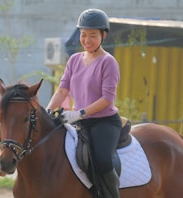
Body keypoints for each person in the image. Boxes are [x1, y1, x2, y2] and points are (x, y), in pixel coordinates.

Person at [46, 8, 122, 198]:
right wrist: (47, 110)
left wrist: (78, 113)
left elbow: (107, 99)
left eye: (93, 35)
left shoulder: (108, 62)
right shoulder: (74, 60)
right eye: (84, 35)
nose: (87, 40)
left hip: (103, 122)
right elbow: (63, 90)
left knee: (103, 161)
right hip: (78, 122)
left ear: (104, 35)